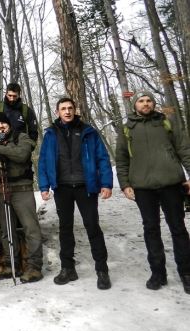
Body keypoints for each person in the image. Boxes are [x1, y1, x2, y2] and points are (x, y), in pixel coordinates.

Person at [115, 91, 190, 293]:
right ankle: (158, 273)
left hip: (171, 184)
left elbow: (184, 149)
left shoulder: (166, 123)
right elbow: (121, 159)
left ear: (153, 104)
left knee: (178, 228)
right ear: (135, 105)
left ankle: (186, 273)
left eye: (148, 100)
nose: (145, 103)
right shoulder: (127, 129)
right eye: (141, 101)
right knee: (151, 229)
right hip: (143, 187)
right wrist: (125, 184)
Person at [38, 97, 113, 290]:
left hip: (86, 186)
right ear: (57, 112)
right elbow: (43, 161)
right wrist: (44, 186)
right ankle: (67, 268)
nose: (67, 111)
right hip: (62, 187)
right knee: (65, 228)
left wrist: (106, 183)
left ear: (75, 110)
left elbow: (102, 158)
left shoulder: (88, 132)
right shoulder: (51, 134)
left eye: (70, 108)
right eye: (63, 109)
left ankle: (102, 270)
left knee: (92, 226)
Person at [0, 112, 43, 283]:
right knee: (6, 229)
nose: (1, 126)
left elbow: (22, 154)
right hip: (1, 189)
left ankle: (34, 266)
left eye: (4, 123)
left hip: (22, 188)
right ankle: (12, 263)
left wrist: (1, 150)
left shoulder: (21, 137)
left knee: (30, 228)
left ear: (9, 125)